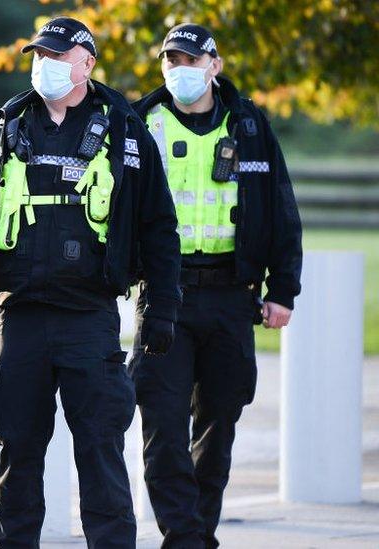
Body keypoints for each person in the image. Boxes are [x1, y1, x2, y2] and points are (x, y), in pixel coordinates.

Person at [0, 16, 183, 548]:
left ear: (87, 62)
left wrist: (161, 308)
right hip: (19, 315)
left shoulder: (123, 129)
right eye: (37, 56)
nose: (43, 65)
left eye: (56, 55)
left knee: (100, 452)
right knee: (17, 454)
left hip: (89, 318)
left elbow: (159, 226)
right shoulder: (4, 126)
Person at [130, 24, 302, 549]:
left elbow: (279, 209)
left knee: (218, 421)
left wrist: (283, 289)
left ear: (215, 65)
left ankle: (198, 531)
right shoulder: (141, 123)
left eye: (190, 59)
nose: (179, 70)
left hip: (232, 295)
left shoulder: (249, 124)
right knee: (161, 425)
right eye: (170, 61)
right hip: (165, 294)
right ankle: (184, 536)